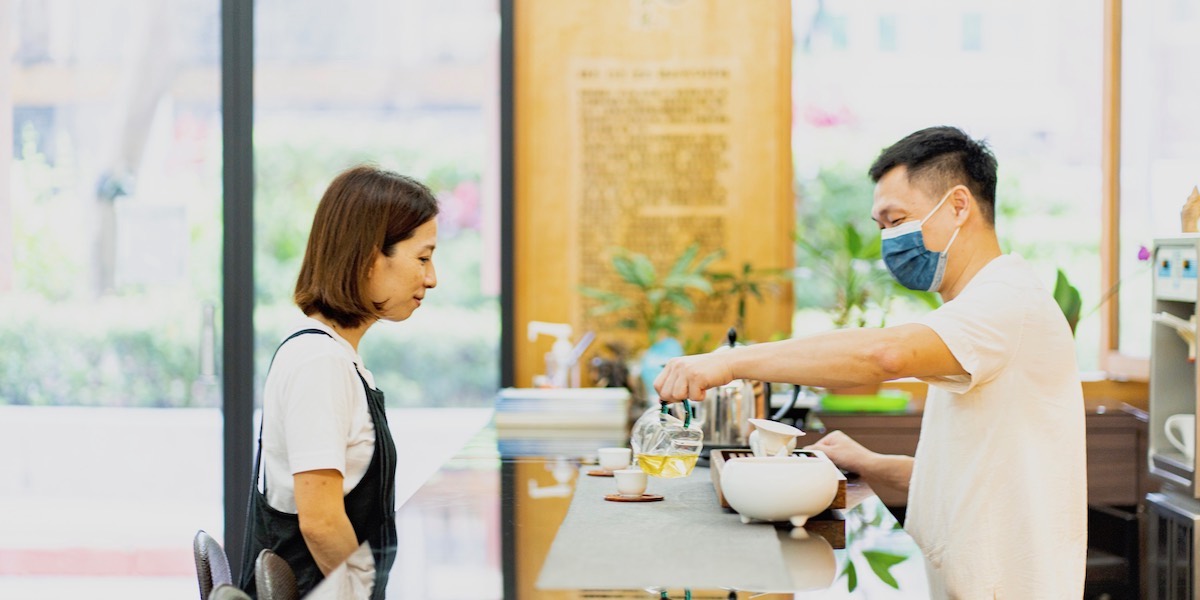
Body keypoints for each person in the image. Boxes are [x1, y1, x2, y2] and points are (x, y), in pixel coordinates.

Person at [654, 126, 1086, 598]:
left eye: (896, 219)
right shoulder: (980, 307)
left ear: (959, 205)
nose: (888, 240)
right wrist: (871, 462)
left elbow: (884, 353)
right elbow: (976, 476)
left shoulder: (1006, 301)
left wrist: (731, 363)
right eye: (881, 227)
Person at [239, 165, 439, 599]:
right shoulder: (318, 362)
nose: (431, 277)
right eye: (422, 257)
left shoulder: (335, 357)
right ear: (369, 257)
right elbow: (321, 522)